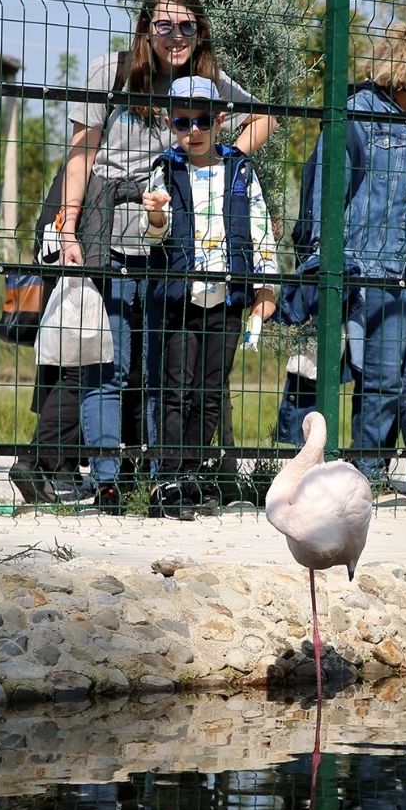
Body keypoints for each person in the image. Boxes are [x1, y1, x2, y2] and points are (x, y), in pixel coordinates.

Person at [57, 0, 276, 514]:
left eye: (186, 26)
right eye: (163, 25)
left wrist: (218, 166)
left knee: (163, 370)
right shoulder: (109, 73)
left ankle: (166, 477)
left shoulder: (208, 83)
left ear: (198, 31)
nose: (175, 36)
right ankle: (106, 479)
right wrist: (67, 228)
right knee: (110, 363)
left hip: (172, 253)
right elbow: (81, 155)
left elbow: (265, 118)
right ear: (145, 28)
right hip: (110, 236)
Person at [301, 21, 406, 507]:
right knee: (382, 375)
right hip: (381, 266)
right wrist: (318, 254)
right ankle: (367, 472)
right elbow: (327, 188)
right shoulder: (358, 116)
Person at [141, 76, 278, 519]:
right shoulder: (164, 169)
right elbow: (153, 238)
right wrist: (157, 218)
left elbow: (260, 227)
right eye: (183, 121)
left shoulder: (240, 169)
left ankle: (197, 473)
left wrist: (266, 287)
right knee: (176, 390)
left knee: (211, 391)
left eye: (202, 120)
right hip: (180, 298)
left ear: (220, 120)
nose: (193, 130)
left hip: (228, 295)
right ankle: (171, 479)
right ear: (169, 121)